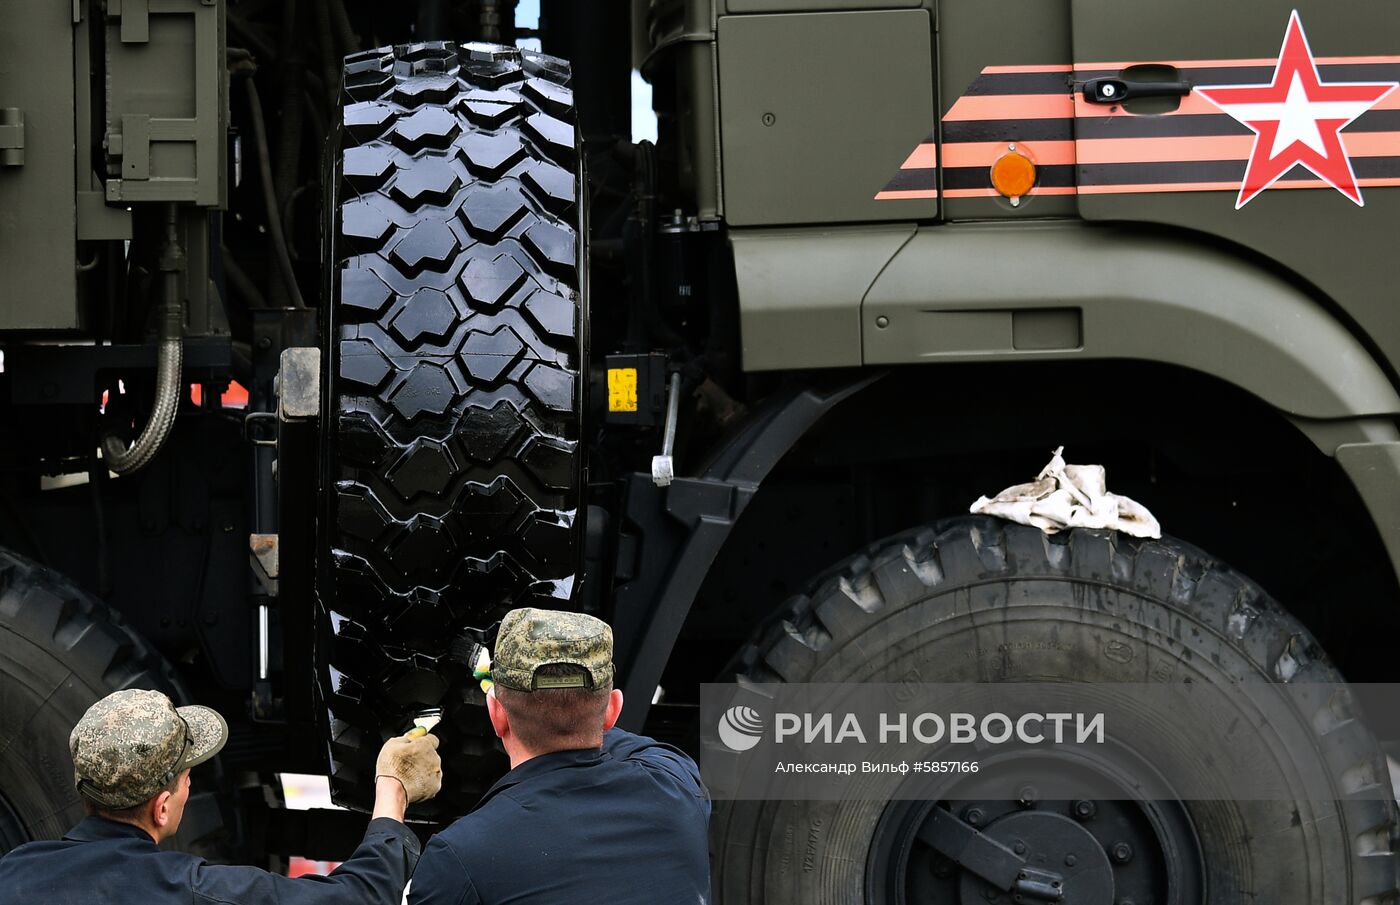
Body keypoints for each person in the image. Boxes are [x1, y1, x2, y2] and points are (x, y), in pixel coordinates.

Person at [0, 687, 442, 905]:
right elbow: (355, 899)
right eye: (187, 776)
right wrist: (393, 790)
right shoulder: (192, 892)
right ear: (162, 806)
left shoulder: (12, 872)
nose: (190, 784)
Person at [408, 607, 711, 905]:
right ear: (613, 710)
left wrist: (390, 796)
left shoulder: (461, 857)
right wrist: (579, 717)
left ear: (496, 716)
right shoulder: (678, 787)